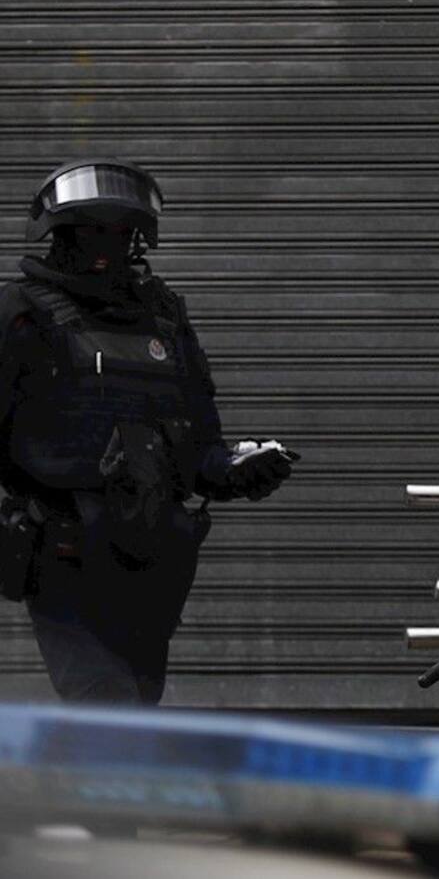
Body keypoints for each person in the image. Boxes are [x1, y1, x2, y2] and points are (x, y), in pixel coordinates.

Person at [0, 158, 294, 704]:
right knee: (105, 703)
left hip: (151, 560)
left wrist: (239, 469)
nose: (105, 247)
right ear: (61, 234)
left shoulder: (163, 317)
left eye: (118, 232)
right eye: (90, 231)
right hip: (64, 555)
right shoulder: (21, 314)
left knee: (135, 708)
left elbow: (199, 446)